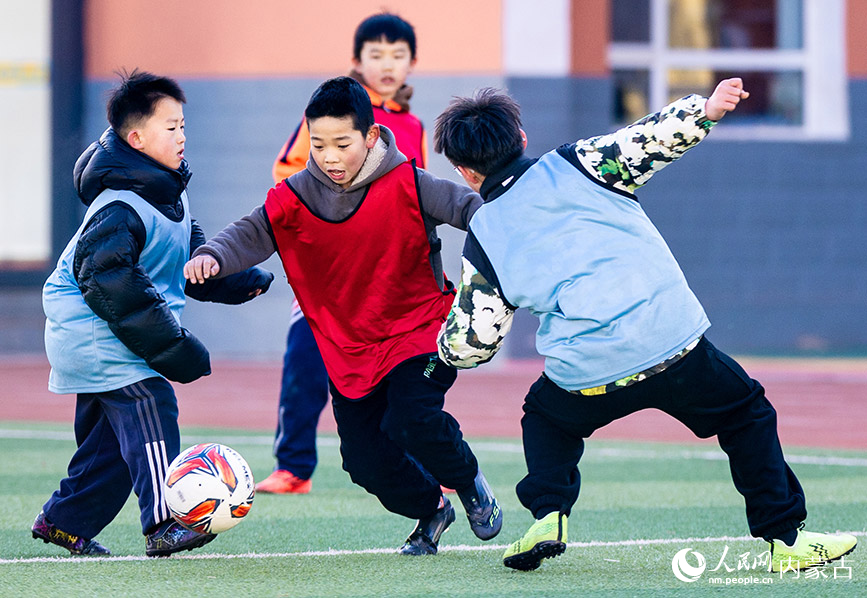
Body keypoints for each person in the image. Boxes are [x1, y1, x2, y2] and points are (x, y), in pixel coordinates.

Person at [433, 78, 858, 572]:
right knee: (746, 415)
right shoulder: (580, 163)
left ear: (465, 173)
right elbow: (649, 138)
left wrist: (442, 347)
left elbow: (474, 343)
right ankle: (785, 539)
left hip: (587, 374)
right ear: (522, 138)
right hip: (672, 346)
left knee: (545, 419)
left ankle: (549, 514)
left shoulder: (483, 235)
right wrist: (707, 109)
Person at [185, 76, 501, 555]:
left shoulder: (411, 183)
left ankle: (470, 482)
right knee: (362, 461)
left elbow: (474, 211)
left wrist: (516, 232)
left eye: (341, 144)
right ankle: (432, 509)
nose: (329, 156)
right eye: (318, 144)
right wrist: (212, 255)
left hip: (418, 330)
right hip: (349, 349)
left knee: (411, 418)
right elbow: (249, 232)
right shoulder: (293, 197)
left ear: (370, 136)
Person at [33, 70, 273, 557]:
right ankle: (165, 522)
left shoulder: (167, 191)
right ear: (136, 139)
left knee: (110, 444)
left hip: (110, 329)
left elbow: (189, 260)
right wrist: (173, 346)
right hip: (94, 328)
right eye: (171, 127)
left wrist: (235, 280)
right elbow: (111, 285)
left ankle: (63, 521)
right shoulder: (119, 206)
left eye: (183, 125)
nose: (182, 136)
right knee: (151, 403)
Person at [259, 12, 428, 495]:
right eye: (376, 55)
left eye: (397, 55)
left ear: (412, 63)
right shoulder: (332, 116)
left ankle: (429, 465)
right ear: (357, 60)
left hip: (387, 281)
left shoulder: (412, 126)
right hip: (328, 276)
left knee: (404, 377)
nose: (387, 64)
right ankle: (293, 468)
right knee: (305, 367)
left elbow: (418, 192)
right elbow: (287, 173)